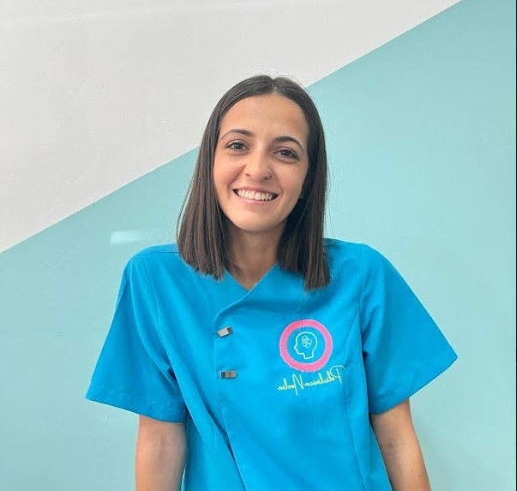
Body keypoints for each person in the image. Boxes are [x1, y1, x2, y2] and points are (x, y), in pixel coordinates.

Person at [86, 75, 457, 490]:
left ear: (308, 177)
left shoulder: (361, 275)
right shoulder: (157, 282)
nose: (258, 169)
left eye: (285, 152)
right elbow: (159, 441)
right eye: (237, 145)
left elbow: (397, 437)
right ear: (210, 161)